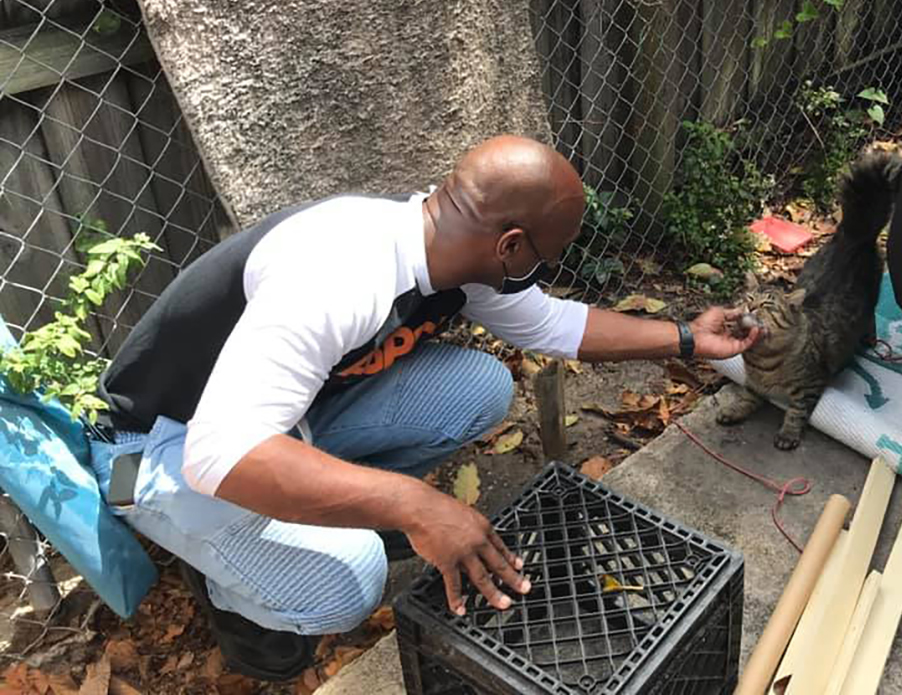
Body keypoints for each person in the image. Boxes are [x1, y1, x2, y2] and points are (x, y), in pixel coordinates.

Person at [87, 134, 760, 680]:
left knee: (479, 387)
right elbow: (219, 452)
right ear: (512, 247)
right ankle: (234, 593)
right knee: (349, 582)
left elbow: (558, 326)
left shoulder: (452, 247)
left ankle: (311, 505)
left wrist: (688, 338)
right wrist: (414, 503)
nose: (544, 271)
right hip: (153, 446)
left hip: (282, 419)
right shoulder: (341, 273)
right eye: (546, 256)